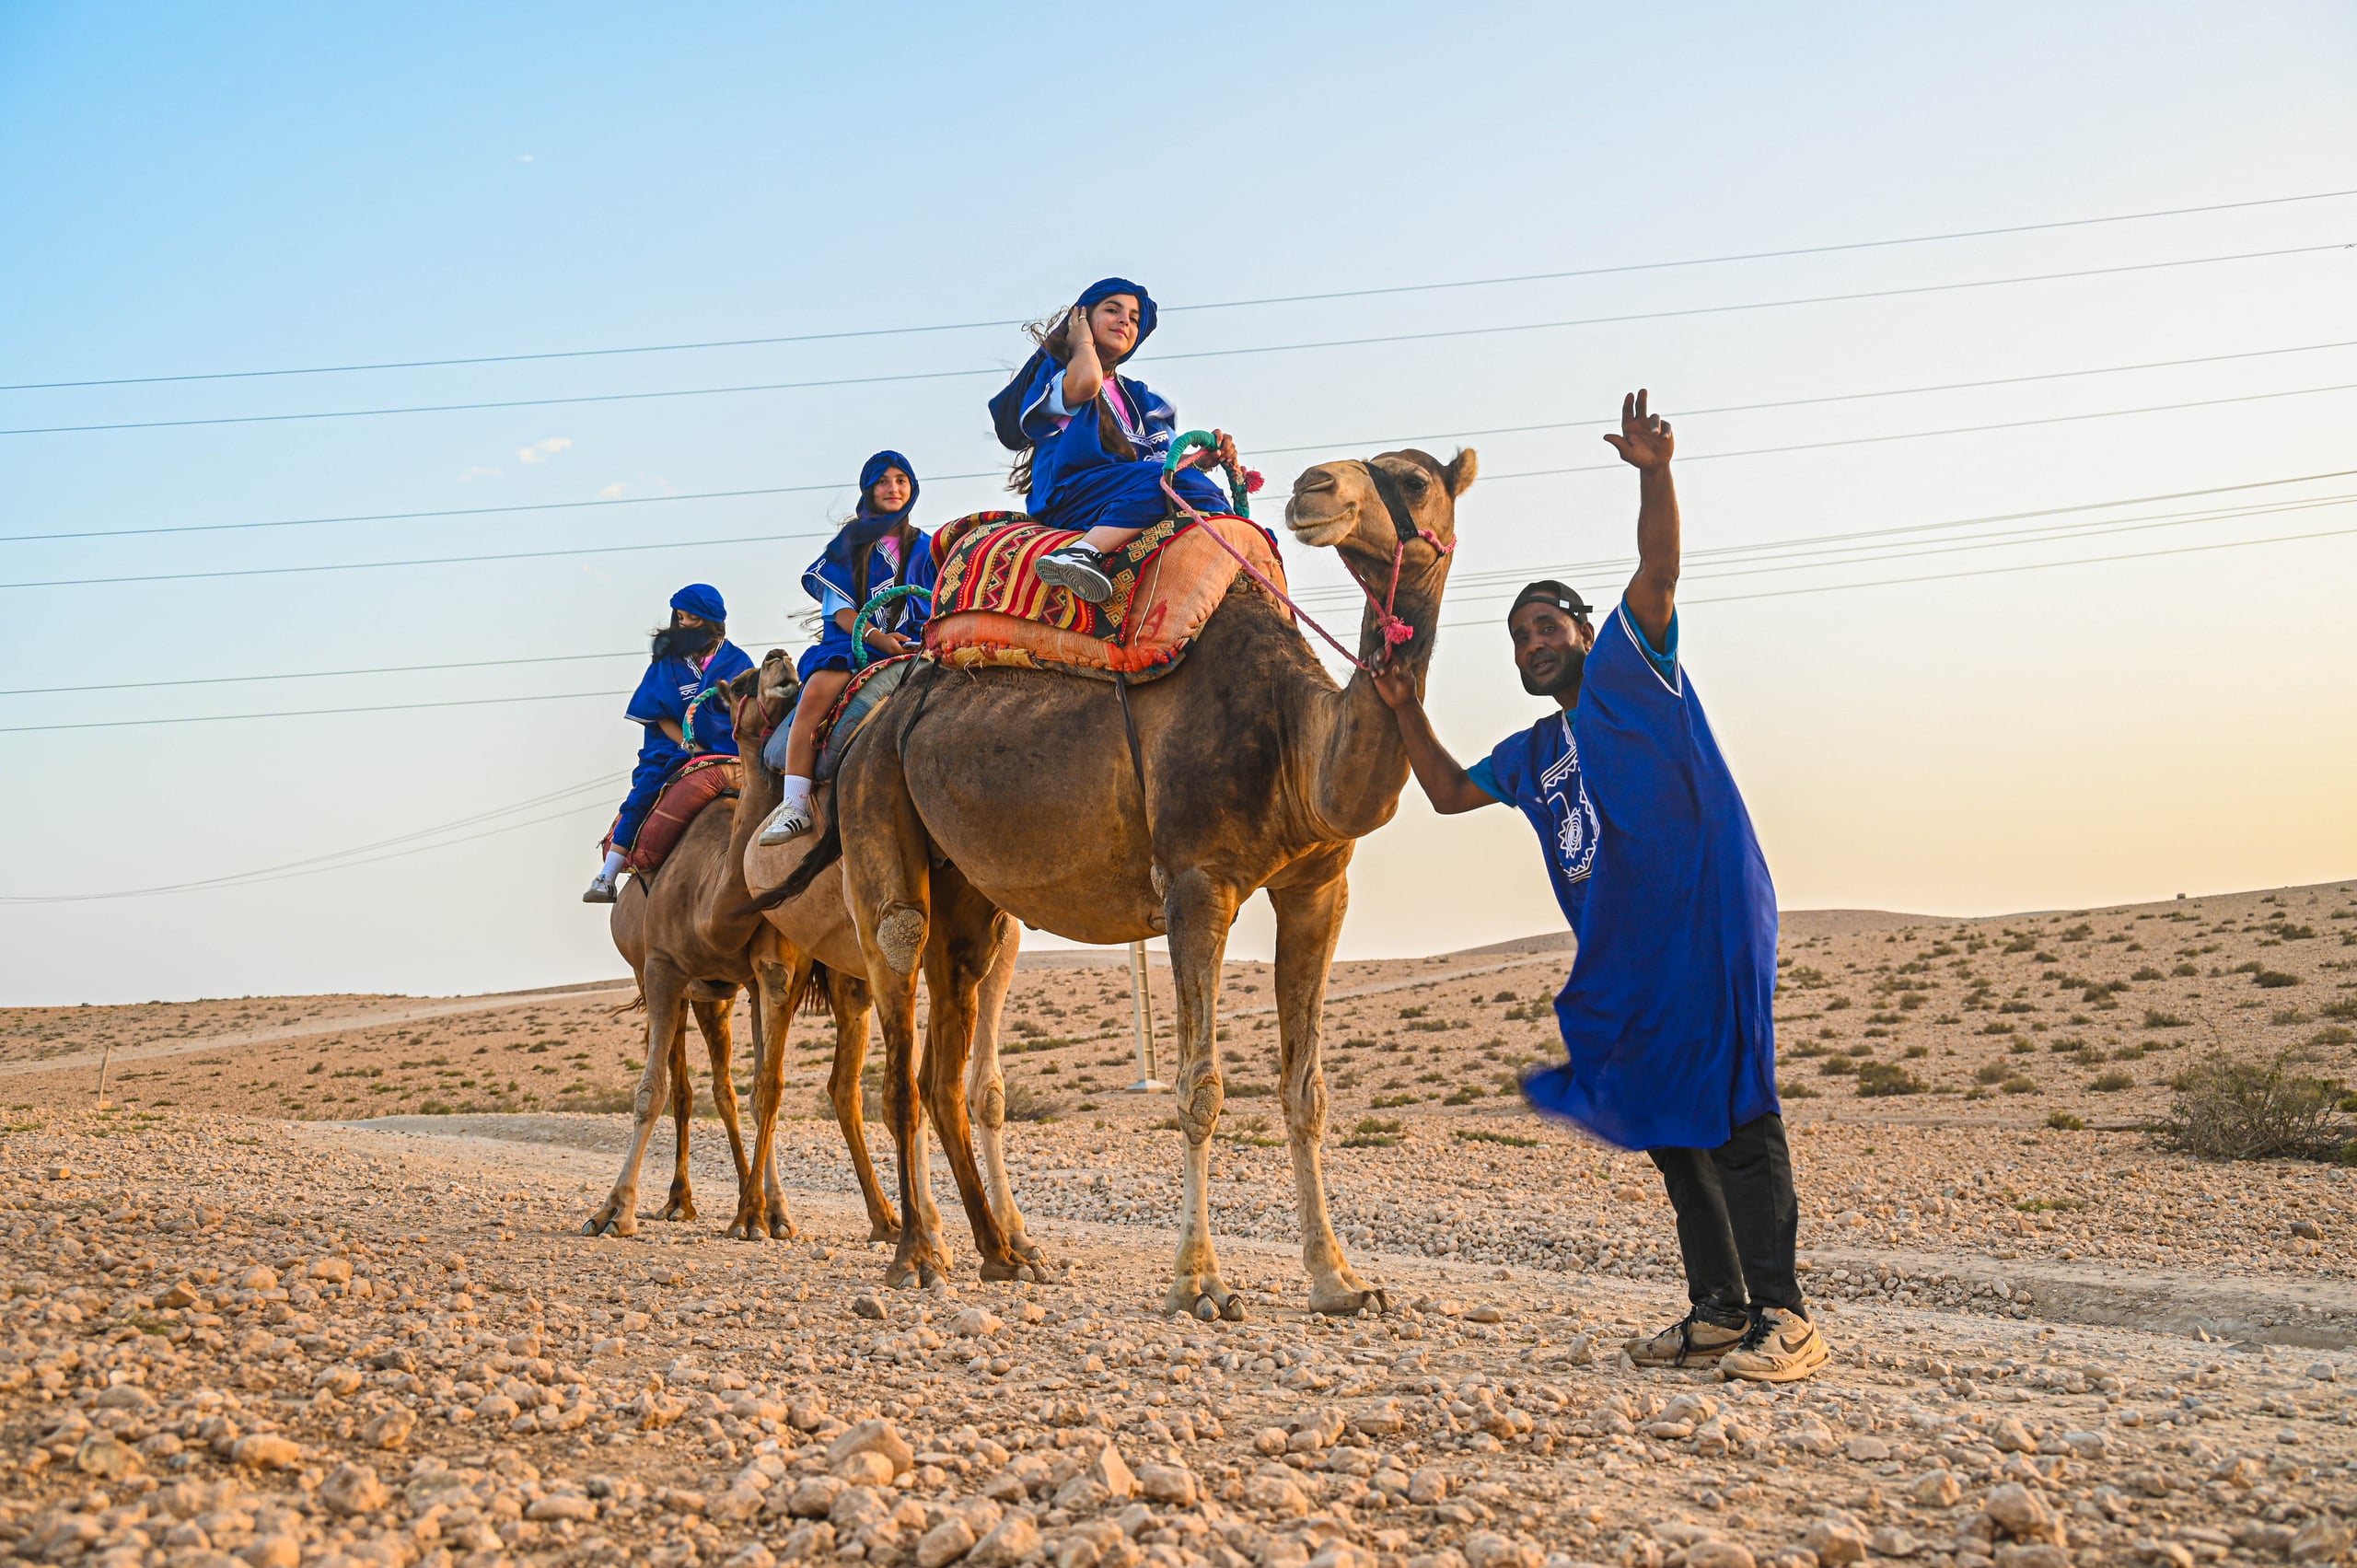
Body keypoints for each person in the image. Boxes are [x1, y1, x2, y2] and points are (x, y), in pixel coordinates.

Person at [1373, 390, 1825, 1383]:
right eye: (1519, 638)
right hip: (1627, 953)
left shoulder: (1633, 661)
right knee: (1668, 1119)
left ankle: (1784, 1313)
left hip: (1706, 920)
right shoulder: (1533, 752)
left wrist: (1654, 473)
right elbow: (1447, 793)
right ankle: (1718, 1309)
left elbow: (1657, 568)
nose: (1534, 643)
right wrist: (1406, 709)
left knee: (1736, 1109)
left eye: (1546, 625)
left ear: (1581, 627)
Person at [987, 276, 1240, 604]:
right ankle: (1080, 552)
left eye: (1134, 318)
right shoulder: (1059, 377)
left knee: (1214, 503)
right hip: (1075, 496)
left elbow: (1166, 464)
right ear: (1082, 319)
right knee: (1176, 484)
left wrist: (1203, 461)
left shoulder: (1142, 397)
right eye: (1112, 310)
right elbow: (1088, 382)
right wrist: (1081, 344)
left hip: (1134, 490)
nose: (1125, 320)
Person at [754, 451, 937, 846]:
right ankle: (796, 805)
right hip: (856, 643)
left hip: (915, 645)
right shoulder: (849, 543)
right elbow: (840, 611)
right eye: (884, 481)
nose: (893, 488)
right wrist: (877, 639)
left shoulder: (925, 546)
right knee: (819, 690)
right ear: (869, 489)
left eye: (901, 480)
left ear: (912, 488)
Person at [584, 584, 754, 903]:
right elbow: (660, 714)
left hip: (729, 749)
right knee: (645, 792)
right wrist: (692, 748)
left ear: (710, 620)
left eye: (691, 618)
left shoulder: (737, 660)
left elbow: (745, 709)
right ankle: (607, 875)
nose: (683, 624)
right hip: (673, 749)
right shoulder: (667, 662)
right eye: (680, 617)